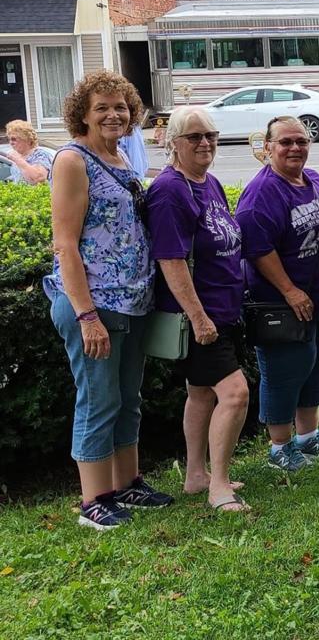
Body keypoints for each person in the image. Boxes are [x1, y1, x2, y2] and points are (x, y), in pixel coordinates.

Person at [45, 70, 172, 530]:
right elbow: (65, 243)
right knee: (98, 398)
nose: (113, 114)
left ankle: (127, 483)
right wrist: (85, 315)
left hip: (133, 301)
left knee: (127, 397)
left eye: (120, 106)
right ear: (83, 113)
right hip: (93, 302)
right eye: (102, 107)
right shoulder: (72, 160)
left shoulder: (119, 158)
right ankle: (92, 499)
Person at [145, 106, 250, 512]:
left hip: (222, 309)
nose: (205, 143)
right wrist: (198, 317)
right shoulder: (171, 191)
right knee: (235, 393)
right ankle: (220, 487)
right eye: (194, 137)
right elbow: (170, 259)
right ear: (173, 143)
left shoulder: (209, 183)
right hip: (199, 316)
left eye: (210, 135)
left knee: (202, 393)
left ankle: (196, 475)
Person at [236, 115, 319, 471]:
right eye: (285, 142)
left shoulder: (312, 179)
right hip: (282, 304)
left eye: (301, 141)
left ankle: (308, 436)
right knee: (285, 373)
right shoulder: (262, 192)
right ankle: (280, 447)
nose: (295, 148)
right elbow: (257, 247)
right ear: (268, 147)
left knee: (316, 367)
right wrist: (290, 290)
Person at [4, 119, 52, 184]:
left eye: (14, 139)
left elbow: (39, 179)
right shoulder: (18, 156)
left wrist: (18, 160)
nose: (11, 142)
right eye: (9, 139)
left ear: (27, 139)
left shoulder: (40, 155)